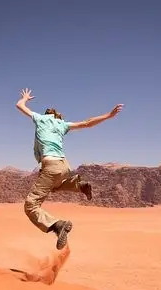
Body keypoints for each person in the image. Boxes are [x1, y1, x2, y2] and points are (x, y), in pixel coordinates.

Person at [15, 88, 124, 250]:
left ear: (46, 114)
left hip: (50, 165)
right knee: (53, 186)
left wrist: (24, 98)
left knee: (30, 205)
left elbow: (19, 105)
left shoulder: (40, 119)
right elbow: (87, 123)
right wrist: (109, 115)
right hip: (64, 166)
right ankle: (78, 185)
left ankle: (58, 225)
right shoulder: (62, 125)